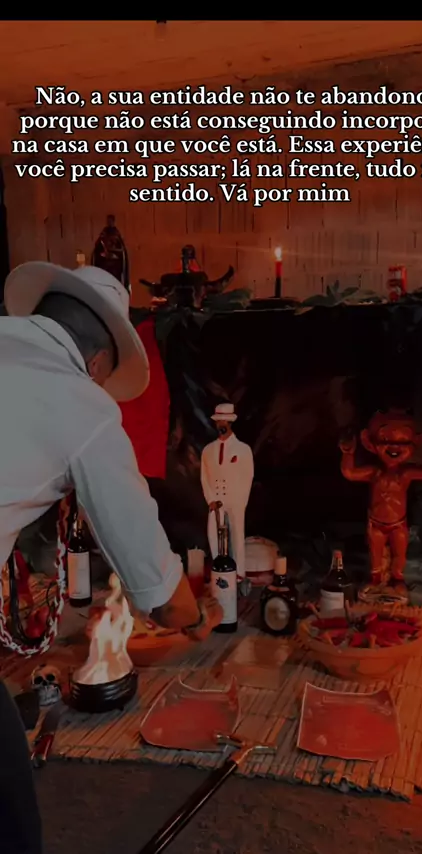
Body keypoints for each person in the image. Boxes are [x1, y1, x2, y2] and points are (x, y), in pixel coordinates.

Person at [0, 260, 223, 854]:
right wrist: (192, 615)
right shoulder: (81, 403)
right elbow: (157, 589)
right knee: (9, 815)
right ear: (98, 363)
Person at [201, 403, 254, 579]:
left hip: (235, 500)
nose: (220, 424)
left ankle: (238, 573)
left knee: (237, 535)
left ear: (230, 422)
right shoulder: (208, 450)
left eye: (223, 421)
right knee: (213, 534)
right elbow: (204, 477)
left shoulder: (243, 449)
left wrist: (241, 502)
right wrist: (210, 499)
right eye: (218, 421)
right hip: (215, 500)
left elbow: (247, 476)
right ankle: (219, 569)